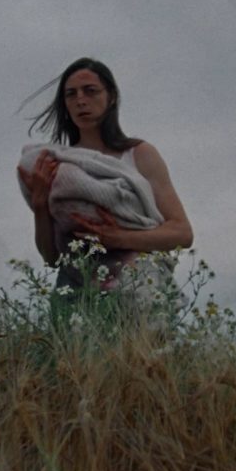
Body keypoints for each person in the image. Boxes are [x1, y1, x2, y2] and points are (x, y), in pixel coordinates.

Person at [16, 57, 193, 298]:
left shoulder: (139, 154)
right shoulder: (59, 167)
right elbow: (52, 258)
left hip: (138, 288)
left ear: (111, 97)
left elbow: (182, 233)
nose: (80, 100)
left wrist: (119, 238)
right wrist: (40, 204)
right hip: (77, 294)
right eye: (71, 94)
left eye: (90, 91)